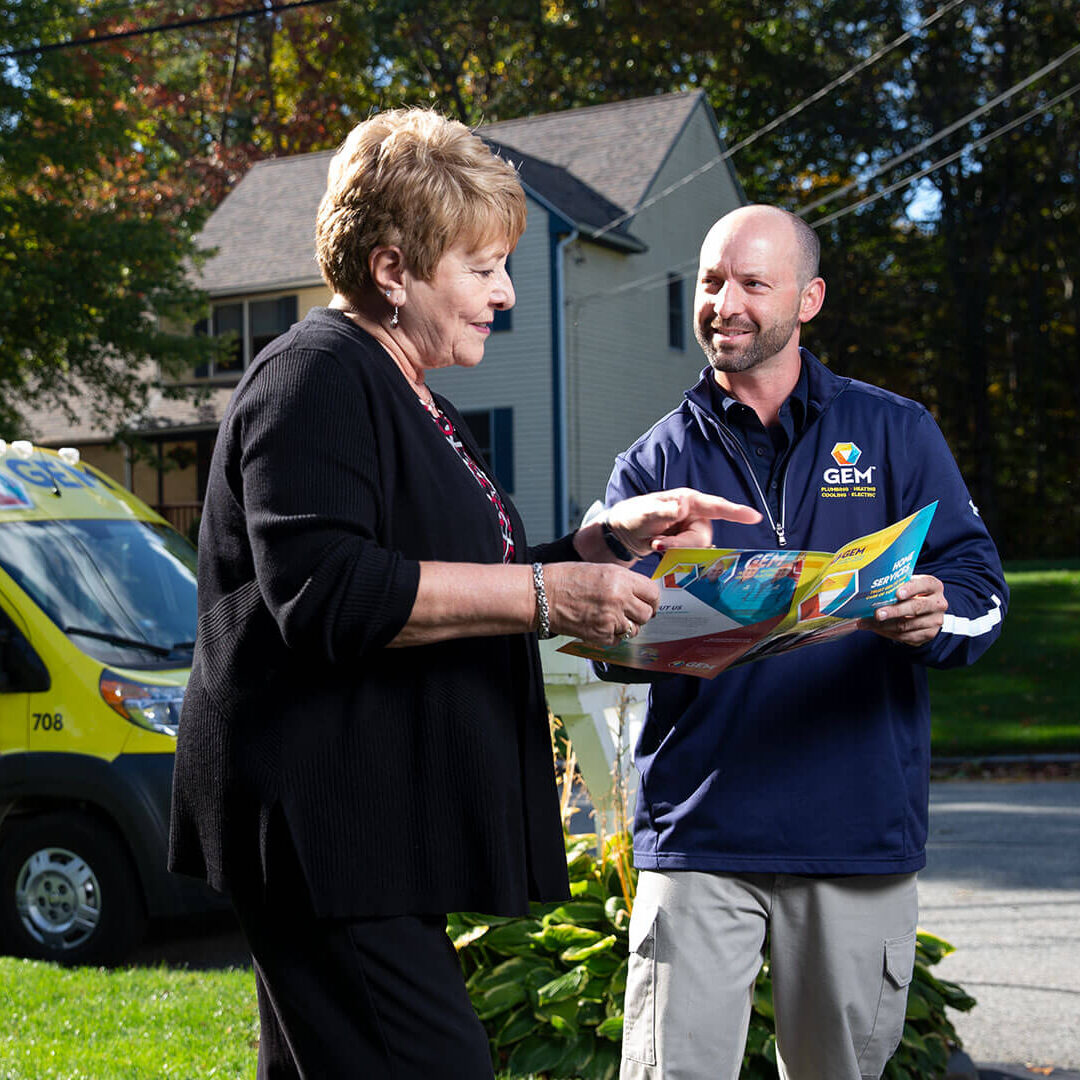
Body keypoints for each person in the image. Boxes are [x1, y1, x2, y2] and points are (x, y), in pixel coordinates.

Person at [167, 107, 761, 1080]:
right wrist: (549, 592)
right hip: (329, 827)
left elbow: (457, 569)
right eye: (481, 268)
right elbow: (327, 591)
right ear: (392, 268)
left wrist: (602, 538)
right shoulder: (314, 379)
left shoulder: (411, 393)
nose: (507, 295)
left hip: (369, 830)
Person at [601, 204, 1008, 1080]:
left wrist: (939, 616)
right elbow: (605, 629)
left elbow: (982, 593)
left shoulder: (899, 432)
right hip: (699, 837)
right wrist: (641, 603)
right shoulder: (650, 464)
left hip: (853, 838)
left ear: (808, 298)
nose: (727, 303)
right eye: (712, 282)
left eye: (754, 283)